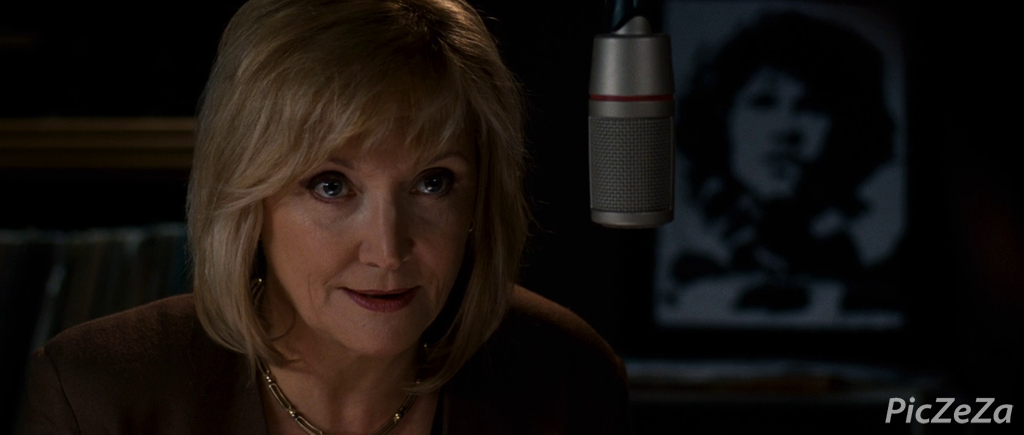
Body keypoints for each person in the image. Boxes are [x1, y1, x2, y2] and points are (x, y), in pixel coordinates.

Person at [21, 0, 631, 433]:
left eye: (433, 182)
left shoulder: (568, 379)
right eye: (331, 186)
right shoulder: (96, 396)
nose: (387, 250)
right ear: (247, 201)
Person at [661, 11, 901, 317]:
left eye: (811, 106)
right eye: (763, 103)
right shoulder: (674, 252)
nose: (786, 130)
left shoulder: (884, 264)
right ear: (722, 118)